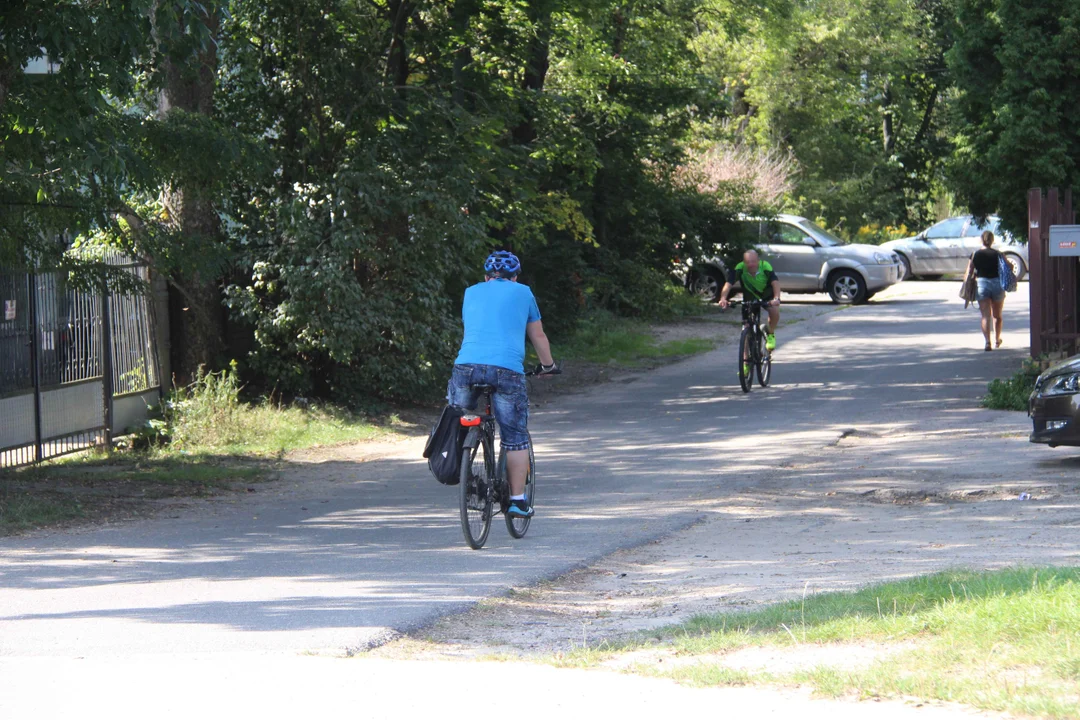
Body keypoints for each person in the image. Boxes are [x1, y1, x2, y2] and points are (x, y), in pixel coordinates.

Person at [448, 250, 558, 519]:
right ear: (515, 277)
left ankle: (464, 465)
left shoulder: (471, 292)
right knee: (515, 437)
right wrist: (548, 366)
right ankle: (517, 502)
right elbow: (538, 335)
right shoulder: (523, 292)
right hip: (506, 371)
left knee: (459, 418)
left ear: (486, 277)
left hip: (466, 368)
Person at [718, 249, 782, 355]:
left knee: (774, 311)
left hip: (767, 296)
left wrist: (776, 298)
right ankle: (746, 362)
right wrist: (723, 298)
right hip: (749, 299)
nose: (751, 264)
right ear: (744, 262)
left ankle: (770, 333)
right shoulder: (740, 268)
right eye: (747, 262)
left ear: (758, 260)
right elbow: (728, 284)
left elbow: (775, 283)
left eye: (753, 261)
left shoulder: (765, 266)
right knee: (746, 329)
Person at [963, 230, 1006, 351]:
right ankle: (997, 340)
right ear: (992, 241)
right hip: (997, 284)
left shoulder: (975, 254)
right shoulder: (998, 254)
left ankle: (988, 342)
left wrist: (967, 285)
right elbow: (1010, 267)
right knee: (997, 315)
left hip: (982, 284)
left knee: (985, 316)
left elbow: (969, 271)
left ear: (982, 240)